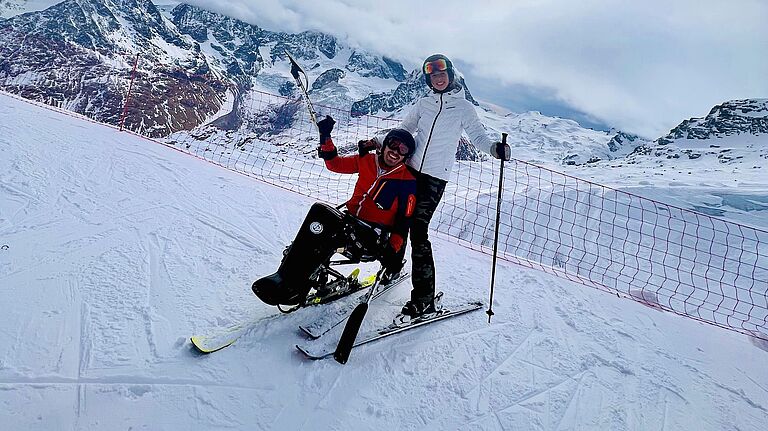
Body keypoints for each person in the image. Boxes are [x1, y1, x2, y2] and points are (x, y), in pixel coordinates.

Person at [371, 53, 511, 318]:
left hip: (434, 178)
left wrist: (495, 149)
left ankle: (423, 298)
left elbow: (478, 138)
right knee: (395, 221)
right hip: (409, 171)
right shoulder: (424, 104)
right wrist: (376, 141)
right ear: (429, 79)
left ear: (451, 75)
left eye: (442, 74)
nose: (438, 79)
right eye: (433, 76)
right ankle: (393, 267)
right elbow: (403, 130)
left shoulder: (464, 108)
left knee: (418, 231)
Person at [252, 115, 417, 307]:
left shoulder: (408, 182)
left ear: (407, 156)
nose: (396, 152)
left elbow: (404, 222)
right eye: (394, 145)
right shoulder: (368, 161)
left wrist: (392, 251)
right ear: (385, 144)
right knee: (318, 217)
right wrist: (325, 137)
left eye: (403, 150)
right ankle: (284, 278)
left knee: (324, 229)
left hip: (372, 236)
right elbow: (335, 164)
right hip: (349, 222)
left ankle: (296, 288)